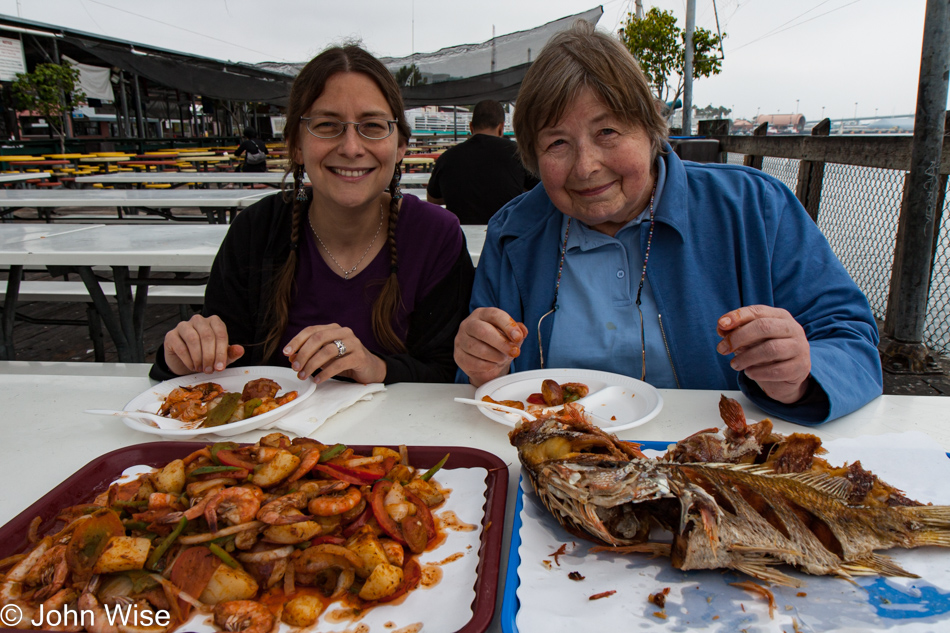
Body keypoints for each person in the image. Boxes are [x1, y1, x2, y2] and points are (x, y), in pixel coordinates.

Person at [453, 21, 882, 425]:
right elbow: (483, 386)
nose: (585, 167)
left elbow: (852, 341)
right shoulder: (512, 233)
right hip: (554, 463)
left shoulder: (754, 207)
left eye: (607, 133)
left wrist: (800, 377)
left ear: (650, 128)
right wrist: (478, 364)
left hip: (716, 463)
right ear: (532, 154)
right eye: (557, 143)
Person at [150, 44, 475, 385]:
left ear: (401, 147)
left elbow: (447, 374)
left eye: (373, 126)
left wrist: (375, 367)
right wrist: (182, 357)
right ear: (295, 144)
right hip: (271, 437)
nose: (351, 147)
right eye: (326, 125)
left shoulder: (435, 235)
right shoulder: (256, 229)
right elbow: (219, 366)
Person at [427, 100, 538, 224]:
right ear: (501, 128)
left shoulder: (447, 157)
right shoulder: (518, 153)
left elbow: (432, 199)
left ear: (471, 127)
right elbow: (539, 190)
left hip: (460, 238)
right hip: (505, 235)